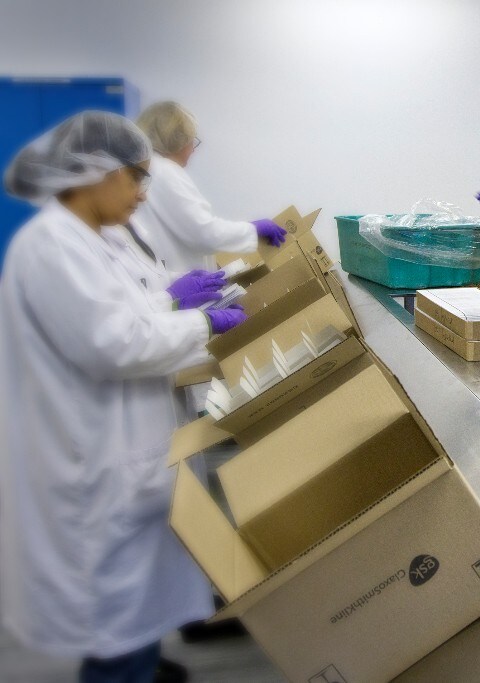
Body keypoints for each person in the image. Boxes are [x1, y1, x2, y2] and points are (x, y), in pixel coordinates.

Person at [0, 111, 247, 683]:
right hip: (91, 461)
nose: (143, 192)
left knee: (134, 601)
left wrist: (175, 299)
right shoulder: (52, 246)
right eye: (136, 176)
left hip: (125, 452)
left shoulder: (97, 237)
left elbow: (128, 311)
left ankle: (139, 664)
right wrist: (202, 324)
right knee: (113, 611)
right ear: (95, 172)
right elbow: (113, 343)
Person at [133, 101, 287, 272]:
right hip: (177, 275)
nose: (193, 149)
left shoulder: (150, 170)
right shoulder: (165, 171)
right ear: (176, 141)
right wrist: (252, 230)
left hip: (166, 273)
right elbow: (204, 233)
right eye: (192, 141)